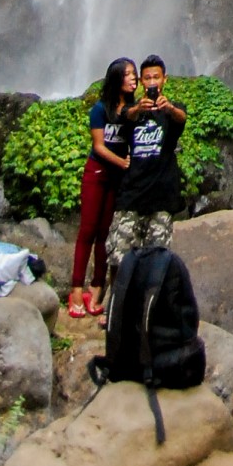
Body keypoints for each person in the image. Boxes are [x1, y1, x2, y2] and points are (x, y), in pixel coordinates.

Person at [67, 56, 136, 318]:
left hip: (116, 178)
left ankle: (96, 288)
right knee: (87, 230)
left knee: (105, 234)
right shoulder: (99, 109)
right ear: (117, 78)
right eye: (128, 74)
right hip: (97, 173)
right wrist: (123, 162)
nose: (134, 78)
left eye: (134, 74)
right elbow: (99, 147)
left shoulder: (132, 110)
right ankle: (75, 290)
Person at [106, 54, 187, 263]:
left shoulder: (173, 110)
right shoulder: (133, 111)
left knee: (157, 260)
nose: (152, 82)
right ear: (141, 82)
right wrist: (138, 109)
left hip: (162, 197)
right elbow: (124, 115)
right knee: (118, 257)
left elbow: (182, 117)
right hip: (132, 195)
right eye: (148, 78)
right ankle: (117, 296)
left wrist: (168, 108)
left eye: (156, 78)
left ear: (164, 79)